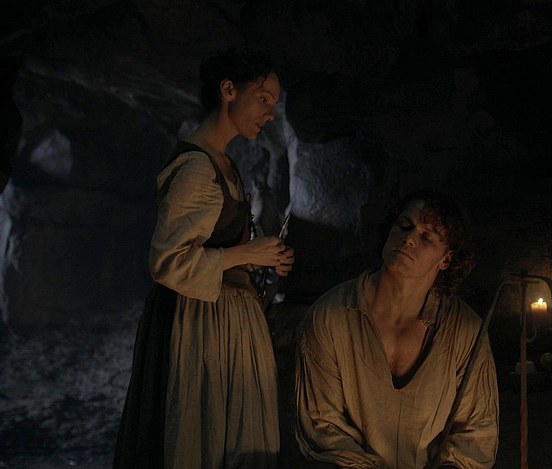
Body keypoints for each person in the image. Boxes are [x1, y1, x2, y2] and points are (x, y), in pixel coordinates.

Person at [113, 48, 294, 468]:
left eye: (274, 103)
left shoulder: (226, 164)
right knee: (197, 437)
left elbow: (218, 250)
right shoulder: (196, 168)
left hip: (226, 324)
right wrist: (244, 252)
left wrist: (257, 259)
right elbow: (168, 262)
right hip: (196, 326)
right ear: (228, 90)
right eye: (263, 98)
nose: (270, 114)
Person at [295, 190, 499, 468]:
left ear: (446, 259)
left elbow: (477, 431)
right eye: (404, 225)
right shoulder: (330, 316)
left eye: (426, 237)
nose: (409, 238)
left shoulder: (464, 330)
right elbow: (322, 424)